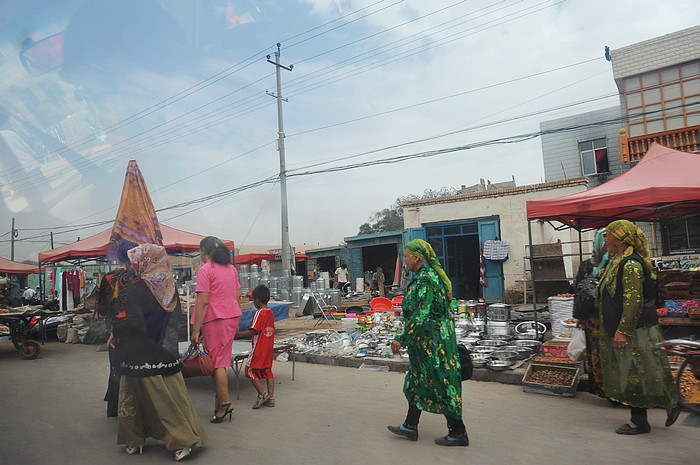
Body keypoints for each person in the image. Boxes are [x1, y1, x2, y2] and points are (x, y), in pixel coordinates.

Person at [112, 244, 208, 460]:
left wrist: (115, 331)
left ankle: (147, 440)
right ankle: (178, 440)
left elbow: (134, 321)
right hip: (166, 351)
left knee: (143, 399)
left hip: (140, 353)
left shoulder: (137, 287)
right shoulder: (167, 285)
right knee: (171, 398)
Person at [597, 220, 679, 435]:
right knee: (642, 371)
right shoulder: (618, 260)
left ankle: (640, 421)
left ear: (621, 239)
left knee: (635, 373)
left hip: (635, 330)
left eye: (609, 235)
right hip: (628, 327)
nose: (605, 239)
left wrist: (623, 331)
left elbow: (633, 302)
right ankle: (669, 402)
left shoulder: (630, 265)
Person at [388, 239, 468, 447]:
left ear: (417, 258)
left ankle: (458, 433)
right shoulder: (423, 276)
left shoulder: (427, 279)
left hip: (435, 344)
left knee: (442, 383)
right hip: (424, 342)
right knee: (417, 380)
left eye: (406, 256)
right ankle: (410, 426)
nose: (405, 260)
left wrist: (401, 338)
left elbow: (421, 314)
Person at [191, 236, 242, 423]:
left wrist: (195, 331)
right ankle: (219, 403)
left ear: (204, 253)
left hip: (215, 319)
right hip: (231, 318)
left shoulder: (205, 271)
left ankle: (225, 404)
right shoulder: (231, 269)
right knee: (221, 360)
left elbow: (203, 302)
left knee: (217, 364)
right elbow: (237, 296)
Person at [97, 239, 138, 418]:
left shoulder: (109, 278)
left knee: (116, 368)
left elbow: (102, 308)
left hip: (115, 329)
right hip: (137, 329)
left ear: (118, 257)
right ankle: (137, 408)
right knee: (136, 368)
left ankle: (115, 409)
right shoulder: (141, 277)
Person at [573, 230, 609, 399]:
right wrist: (580, 316)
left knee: (603, 355)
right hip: (595, 319)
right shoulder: (588, 265)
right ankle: (604, 390)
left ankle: (609, 389)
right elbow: (579, 292)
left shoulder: (616, 263)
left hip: (607, 318)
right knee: (598, 354)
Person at [236, 284, 276, 409]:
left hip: (259, 347)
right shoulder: (270, 312)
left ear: (257, 300)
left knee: (249, 370)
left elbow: (253, 331)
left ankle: (263, 394)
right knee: (267, 371)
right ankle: (271, 398)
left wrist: (238, 335)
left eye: (253, 300)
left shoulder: (259, 313)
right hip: (269, 347)